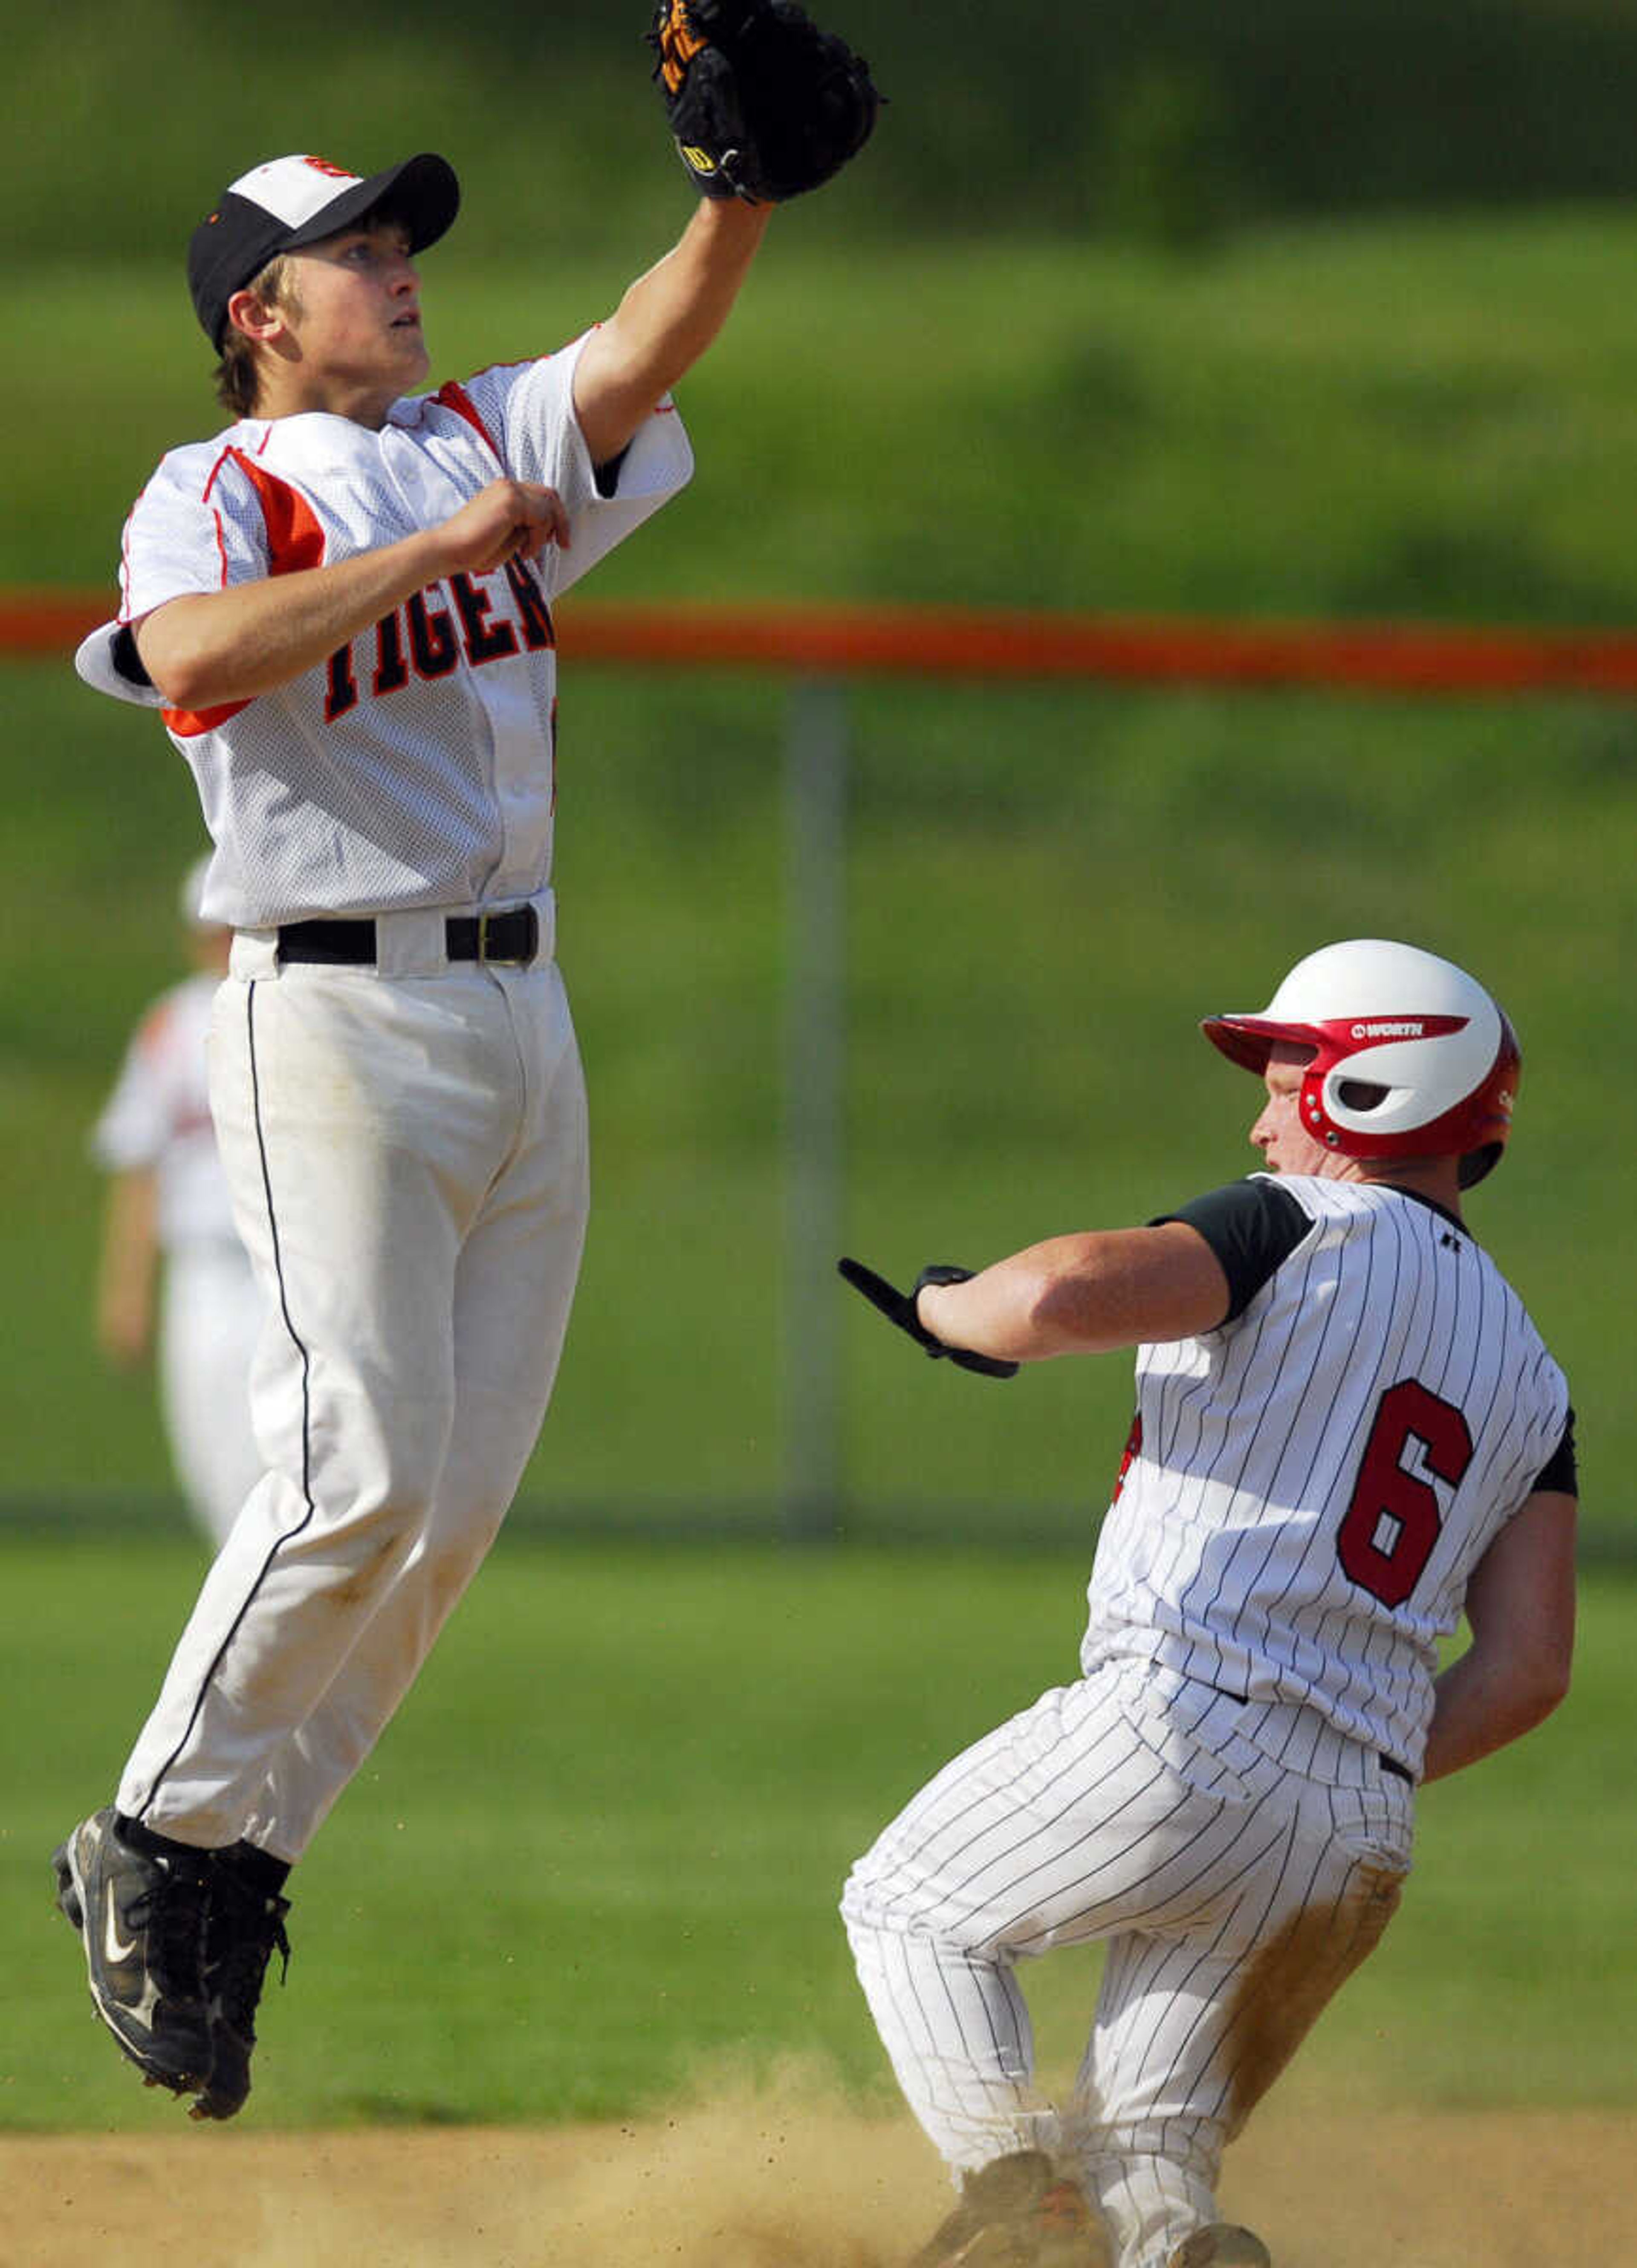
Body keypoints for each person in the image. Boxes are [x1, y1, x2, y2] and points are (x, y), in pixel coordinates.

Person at [53, 143, 774, 2124]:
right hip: (333, 1010)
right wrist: (433, 559)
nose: (396, 271)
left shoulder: (477, 435)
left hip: (524, 1009)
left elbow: (644, 344)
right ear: (254, 316)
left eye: (400, 245)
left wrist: (739, 190)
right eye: (349, 253)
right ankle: (144, 1834)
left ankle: (232, 1873)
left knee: (445, 1523)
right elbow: (191, 664)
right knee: (352, 1471)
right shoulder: (210, 492)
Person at [839, 938, 1577, 2268]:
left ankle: (1023, 2209)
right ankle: (1162, 2242)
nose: (1260, 1113)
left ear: (1377, 1092)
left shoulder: (1294, 1223)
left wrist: (950, 1311)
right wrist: (1356, 1753)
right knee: (1156, 2157)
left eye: (1290, 1074)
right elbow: (1529, 1667)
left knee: (912, 1907)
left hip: (1180, 1723)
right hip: (1358, 1825)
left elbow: (1057, 1295)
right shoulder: (1534, 1374)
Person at [93, 855, 264, 1551]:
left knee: (278, 1452)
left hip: (283, 1269)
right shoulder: (169, 1026)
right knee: (208, 1453)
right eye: (208, 929)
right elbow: (139, 1164)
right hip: (201, 1268)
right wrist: (126, 1290)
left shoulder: (292, 1007)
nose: (218, 942)